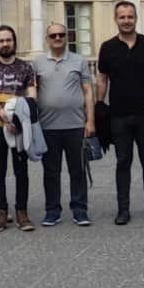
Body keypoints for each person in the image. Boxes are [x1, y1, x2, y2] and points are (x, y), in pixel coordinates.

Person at [95, 1, 144, 226]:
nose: (126, 21)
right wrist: (99, 104)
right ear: (115, 19)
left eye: (130, 17)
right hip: (119, 115)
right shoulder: (107, 47)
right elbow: (102, 78)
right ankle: (123, 210)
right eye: (122, 17)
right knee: (122, 162)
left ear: (136, 18)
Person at [34, 23, 95, 227]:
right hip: (47, 126)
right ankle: (52, 210)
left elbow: (88, 91)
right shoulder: (38, 62)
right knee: (50, 172)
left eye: (61, 34)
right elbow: (32, 92)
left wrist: (90, 120)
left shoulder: (79, 61)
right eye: (53, 35)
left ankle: (80, 209)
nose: (58, 38)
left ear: (67, 37)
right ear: (47, 39)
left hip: (76, 125)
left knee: (77, 170)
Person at [0, 24, 39, 232]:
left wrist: (16, 115)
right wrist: (2, 112)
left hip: (19, 125)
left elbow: (32, 95)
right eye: (1, 41)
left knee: (21, 169)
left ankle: (22, 211)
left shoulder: (25, 67)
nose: (5, 44)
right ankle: (1, 212)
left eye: (8, 40)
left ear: (14, 42)